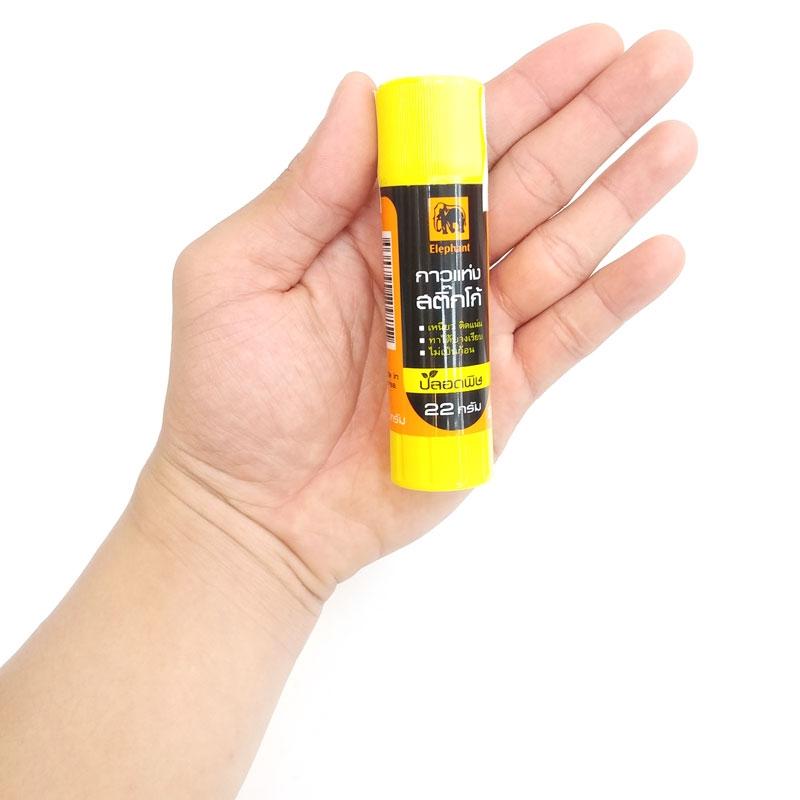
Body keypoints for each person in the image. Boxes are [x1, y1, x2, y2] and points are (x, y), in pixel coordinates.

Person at [0, 24, 695, 798]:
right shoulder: (417, 204)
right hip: (378, 428)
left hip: (430, 413)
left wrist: (227, 536)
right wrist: (226, 522)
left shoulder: (444, 203)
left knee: (445, 296)